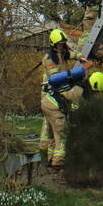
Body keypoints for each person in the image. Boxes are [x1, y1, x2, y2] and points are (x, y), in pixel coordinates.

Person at [41, 53, 103, 167]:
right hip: (53, 106)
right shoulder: (79, 91)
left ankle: (50, 159)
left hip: (48, 103)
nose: (96, 94)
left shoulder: (81, 82)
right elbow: (74, 110)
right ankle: (58, 163)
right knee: (62, 135)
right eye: (96, 92)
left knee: (54, 134)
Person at [39, 28, 76, 166]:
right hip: (51, 95)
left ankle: (49, 157)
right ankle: (55, 160)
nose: (62, 46)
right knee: (55, 128)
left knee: (52, 129)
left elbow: (70, 55)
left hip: (57, 93)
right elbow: (55, 78)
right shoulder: (49, 59)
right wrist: (72, 77)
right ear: (53, 44)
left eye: (63, 43)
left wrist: (79, 56)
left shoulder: (61, 54)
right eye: (59, 44)